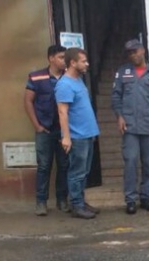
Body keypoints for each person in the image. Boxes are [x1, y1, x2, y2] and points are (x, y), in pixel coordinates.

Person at [112, 39, 149, 215]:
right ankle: (130, 200)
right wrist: (119, 116)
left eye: (135, 51)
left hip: (148, 124)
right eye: (130, 53)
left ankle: (146, 197)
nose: (133, 55)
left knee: (148, 164)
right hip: (129, 126)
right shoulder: (123, 73)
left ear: (143, 50)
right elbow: (116, 97)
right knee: (130, 161)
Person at [55, 48, 101, 219]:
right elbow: (62, 112)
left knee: (85, 171)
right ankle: (76, 205)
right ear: (72, 63)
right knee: (77, 172)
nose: (87, 64)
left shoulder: (79, 81)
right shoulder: (65, 84)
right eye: (83, 61)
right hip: (77, 136)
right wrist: (66, 137)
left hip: (87, 134)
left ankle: (81, 201)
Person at [24, 45, 69, 216]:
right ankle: (41, 202)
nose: (64, 60)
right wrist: (37, 125)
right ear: (51, 58)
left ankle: (62, 200)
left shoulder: (69, 77)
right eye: (60, 57)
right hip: (44, 129)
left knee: (64, 165)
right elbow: (28, 101)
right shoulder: (37, 77)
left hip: (64, 130)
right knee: (44, 166)